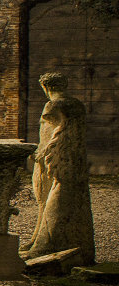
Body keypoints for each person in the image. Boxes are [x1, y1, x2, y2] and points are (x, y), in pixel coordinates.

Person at [26, 71, 95, 263]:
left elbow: (51, 132)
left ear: (46, 87)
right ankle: (37, 241)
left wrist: (41, 153)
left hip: (52, 158)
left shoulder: (53, 106)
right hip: (72, 159)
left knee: (50, 199)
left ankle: (43, 246)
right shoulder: (77, 105)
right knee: (54, 200)